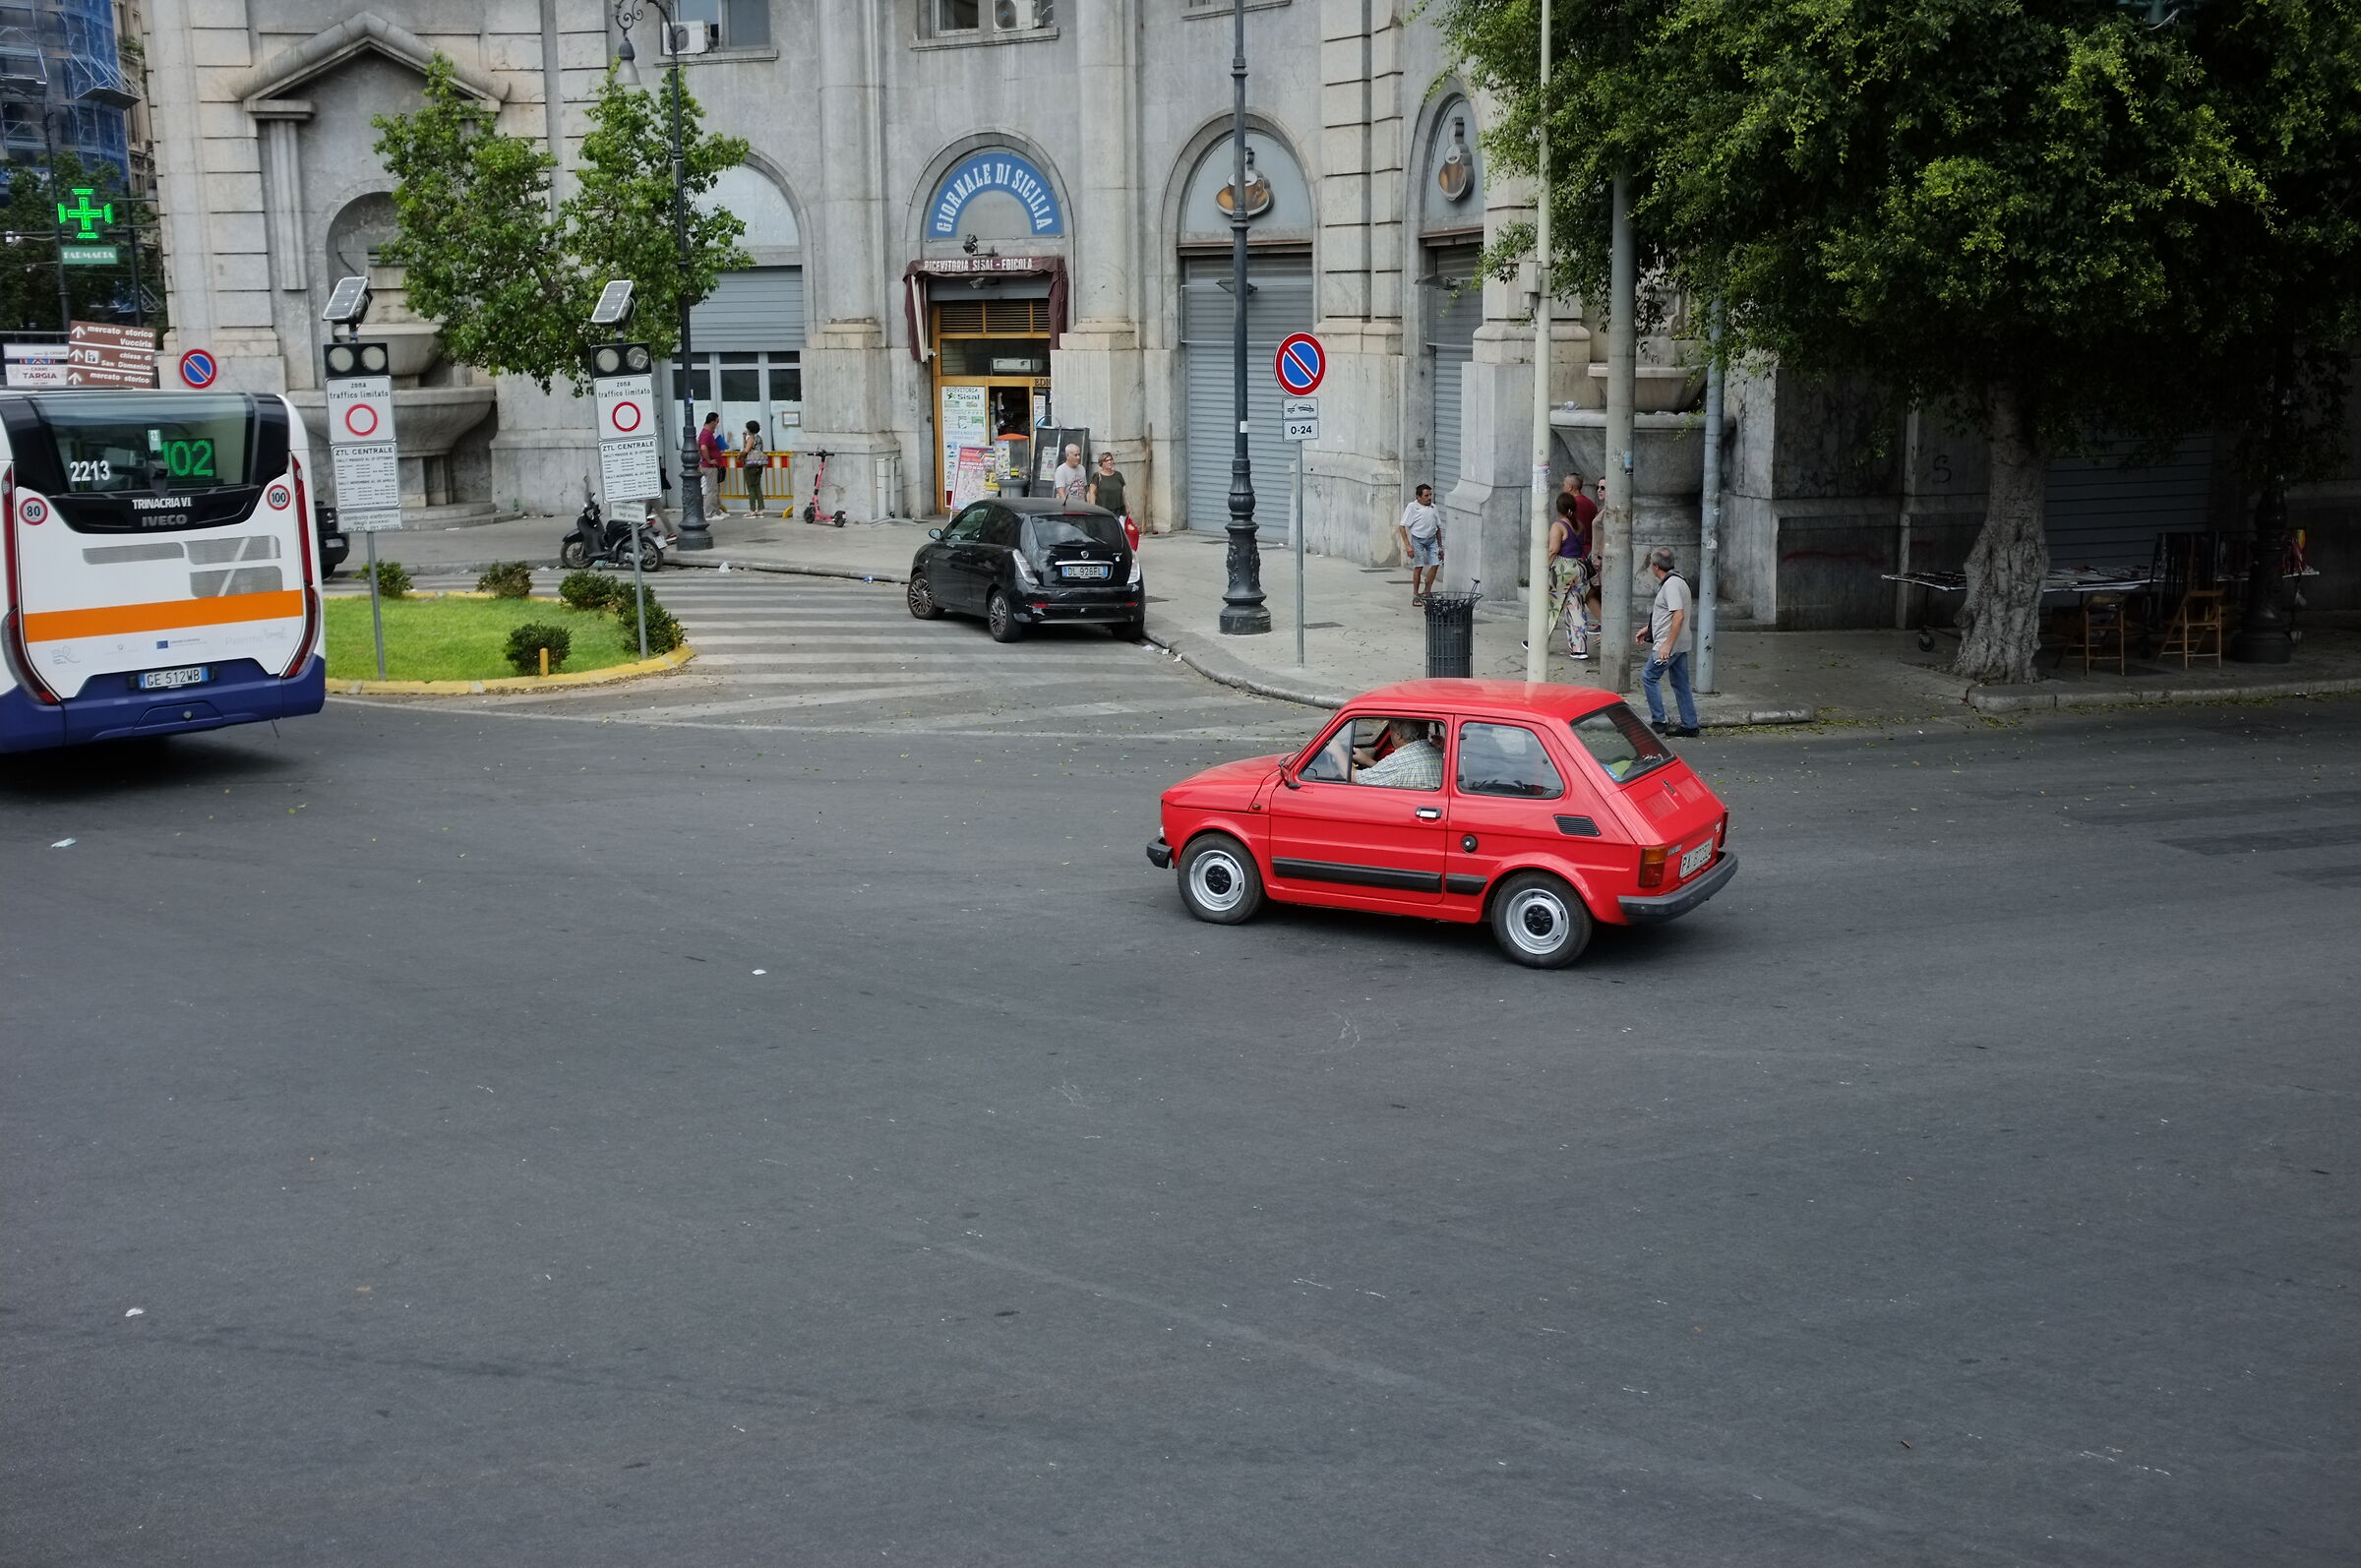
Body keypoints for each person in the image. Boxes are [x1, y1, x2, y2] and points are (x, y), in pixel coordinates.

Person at [1636, 545, 1700, 737]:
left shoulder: (1670, 585)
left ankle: (1659, 721)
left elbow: (1678, 616)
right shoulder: (1679, 581)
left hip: (1669, 644)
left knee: (1649, 677)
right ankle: (1690, 725)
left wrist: (1666, 645)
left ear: (1655, 567)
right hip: (1681, 643)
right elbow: (1667, 613)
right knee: (1681, 683)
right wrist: (1649, 629)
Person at [1353, 719, 1443, 790]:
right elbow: (1391, 772)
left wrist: (1338, 750)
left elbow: (1355, 779)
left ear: (1398, 735)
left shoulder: (1398, 761)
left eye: (1390, 730)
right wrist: (1367, 761)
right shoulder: (1439, 754)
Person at [1397, 484, 1442, 606]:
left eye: (1430, 495)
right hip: (1418, 540)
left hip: (1432, 540)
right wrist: (1408, 546)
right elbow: (1402, 526)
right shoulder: (1412, 507)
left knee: (1436, 564)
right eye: (1426, 495)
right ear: (1418, 497)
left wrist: (1440, 547)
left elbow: (1438, 528)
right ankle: (1416, 595)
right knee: (1419, 566)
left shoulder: (1434, 507)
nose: (1429, 498)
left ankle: (1427, 592)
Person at [1087, 450, 1136, 549]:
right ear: (1102, 463)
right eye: (1107, 460)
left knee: (1121, 532)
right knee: (1106, 534)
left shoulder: (1118, 475)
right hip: (1104, 509)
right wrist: (1093, 508)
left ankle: (1121, 551)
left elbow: (1122, 492)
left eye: (1111, 460)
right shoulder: (1097, 476)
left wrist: (1127, 506)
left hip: (1119, 509)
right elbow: (1092, 493)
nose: (1110, 462)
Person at [696, 412, 725, 525]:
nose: (717, 424)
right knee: (712, 490)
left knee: (715, 489)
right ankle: (710, 513)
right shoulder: (706, 434)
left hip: (711, 465)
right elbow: (703, 447)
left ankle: (717, 511)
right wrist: (709, 460)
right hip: (709, 466)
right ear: (712, 421)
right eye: (717, 422)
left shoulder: (708, 433)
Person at [739, 420, 768, 515]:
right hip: (759, 464)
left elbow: (746, 450)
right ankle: (761, 508)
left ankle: (752, 509)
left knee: (751, 487)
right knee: (757, 486)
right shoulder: (759, 438)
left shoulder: (751, 438)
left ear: (749, 429)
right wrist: (744, 438)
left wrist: (740, 456)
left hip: (750, 465)